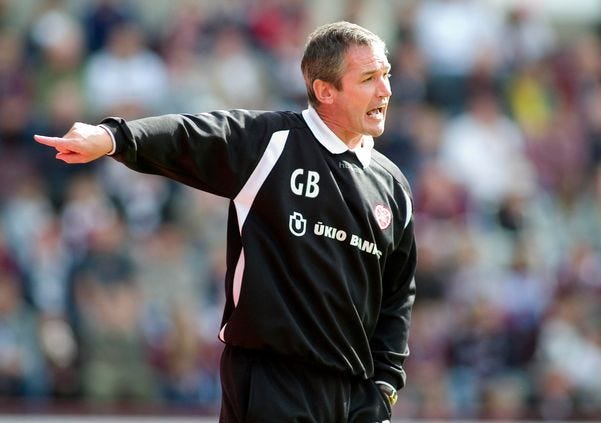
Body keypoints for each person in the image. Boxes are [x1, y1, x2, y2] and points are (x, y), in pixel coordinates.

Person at [34, 21, 417, 423]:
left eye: (386, 75)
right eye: (369, 78)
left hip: (354, 396)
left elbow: (397, 298)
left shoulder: (392, 185)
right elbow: (189, 136)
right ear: (325, 91)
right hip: (273, 380)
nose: (386, 90)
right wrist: (112, 137)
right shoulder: (273, 143)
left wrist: (385, 388)